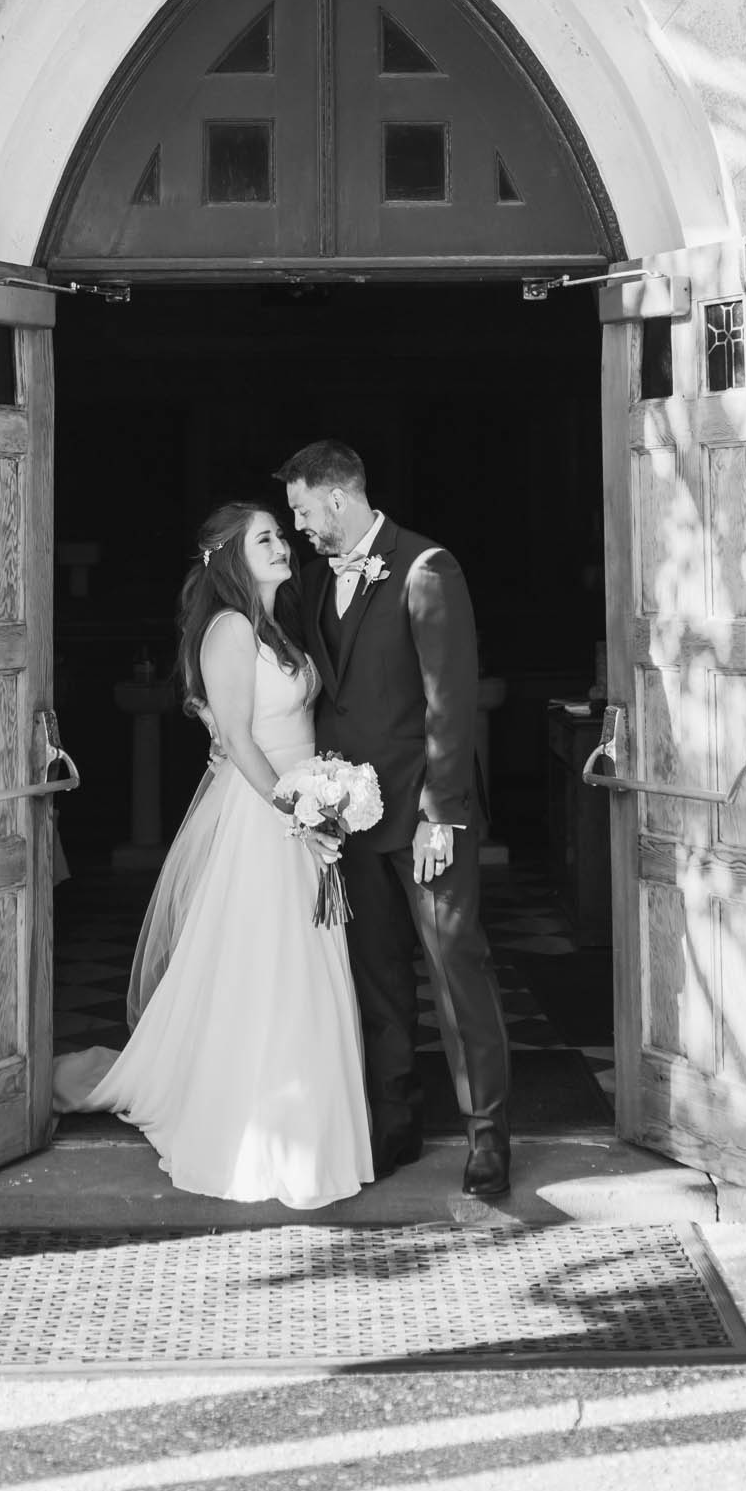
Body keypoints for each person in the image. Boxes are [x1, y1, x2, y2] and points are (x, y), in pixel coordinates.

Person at [50, 500, 373, 1209]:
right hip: (266, 820)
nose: (283, 544)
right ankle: (252, 1124)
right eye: (266, 538)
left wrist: (326, 793)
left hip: (302, 809)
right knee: (263, 967)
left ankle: (317, 1130)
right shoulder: (228, 630)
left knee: (304, 968)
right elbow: (242, 738)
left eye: (282, 535)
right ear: (231, 556)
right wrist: (300, 810)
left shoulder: (278, 625)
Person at [280, 439, 512, 1198]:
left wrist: (440, 814)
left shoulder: (424, 569)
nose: (300, 526)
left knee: (454, 969)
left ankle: (488, 1138)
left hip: (423, 817)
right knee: (376, 979)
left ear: (338, 500)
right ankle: (394, 1122)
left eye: (304, 511)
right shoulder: (315, 583)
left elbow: (451, 702)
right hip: (349, 821)